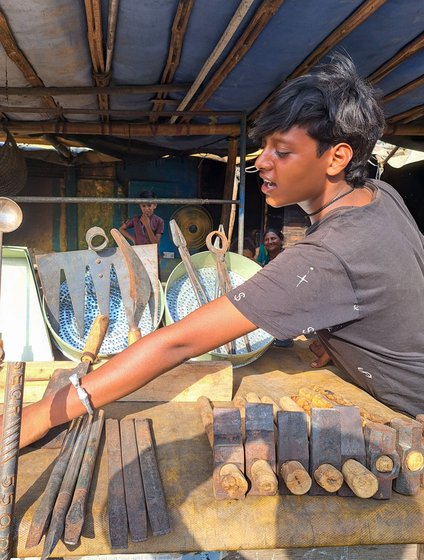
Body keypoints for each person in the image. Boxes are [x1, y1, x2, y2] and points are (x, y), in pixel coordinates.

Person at [11, 53, 424, 448]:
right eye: (263, 147)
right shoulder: (378, 193)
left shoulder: (328, 255)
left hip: (408, 414)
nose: (261, 162)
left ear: (336, 158)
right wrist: (341, 336)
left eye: (281, 151)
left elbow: (178, 343)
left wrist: (43, 414)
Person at [256, 228, 294, 348]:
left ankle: (284, 339)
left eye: (273, 238)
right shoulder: (266, 259)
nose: (270, 242)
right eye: (267, 240)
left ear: (281, 240)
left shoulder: (287, 257)